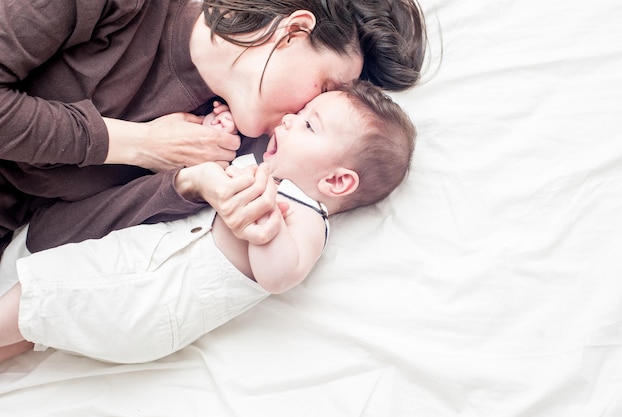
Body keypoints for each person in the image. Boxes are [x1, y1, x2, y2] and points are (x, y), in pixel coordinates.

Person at [0, 79, 416, 364]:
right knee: (33, 324)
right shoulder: (262, 169)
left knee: (32, 296)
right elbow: (207, 167)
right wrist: (218, 132)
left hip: (148, 294)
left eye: (308, 124)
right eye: (300, 112)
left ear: (337, 181)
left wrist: (269, 223)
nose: (288, 119)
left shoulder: (306, 215)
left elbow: (278, 275)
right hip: (137, 277)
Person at [0, 0, 428, 255]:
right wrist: (138, 144)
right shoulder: (132, 10)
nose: (308, 111)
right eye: (325, 87)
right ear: (294, 31)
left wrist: (184, 186)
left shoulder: (231, 143)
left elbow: (46, 236)